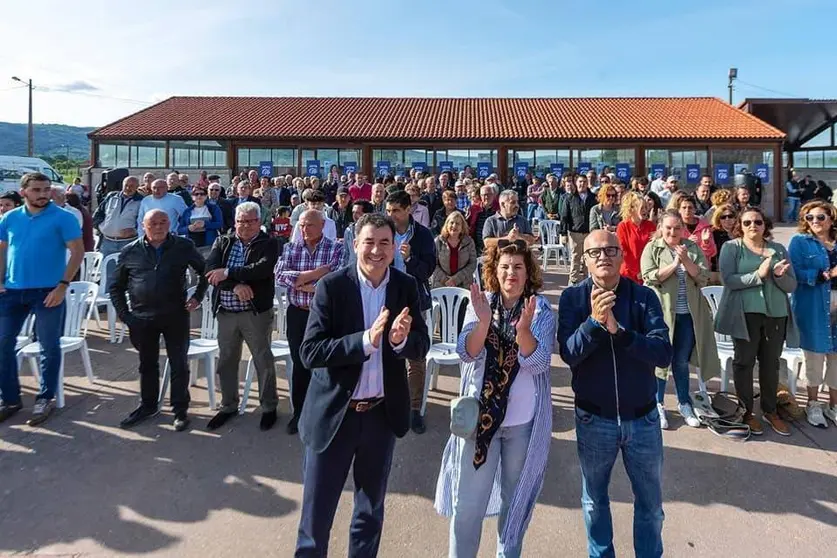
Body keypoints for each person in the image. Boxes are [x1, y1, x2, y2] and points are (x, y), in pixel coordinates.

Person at [294, 213, 429, 557]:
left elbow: (421, 343)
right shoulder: (333, 286)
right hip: (335, 415)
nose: (376, 250)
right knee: (316, 518)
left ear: (395, 246)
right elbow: (310, 351)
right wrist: (365, 342)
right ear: (355, 245)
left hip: (380, 417)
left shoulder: (404, 286)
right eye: (369, 242)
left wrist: (400, 342)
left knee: (369, 514)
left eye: (385, 242)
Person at [435, 239, 554, 557]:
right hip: (479, 425)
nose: (511, 273)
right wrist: (483, 321)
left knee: (514, 507)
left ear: (528, 273)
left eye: (518, 267)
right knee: (468, 507)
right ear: (494, 271)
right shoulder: (481, 302)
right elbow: (467, 352)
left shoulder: (540, 309)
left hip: (521, 426)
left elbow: (539, 362)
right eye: (504, 267)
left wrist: (524, 331)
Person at [557, 230, 672, 558]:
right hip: (595, 419)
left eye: (610, 250)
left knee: (651, 506)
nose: (603, 256)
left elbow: (662, 353)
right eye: (595, 252)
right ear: (585, 260)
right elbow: (569, 353)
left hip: (643, 419)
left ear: (622, 256)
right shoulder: (573, 299)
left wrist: (620, 333)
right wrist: (594, 322)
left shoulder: (643, 297)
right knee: (594, 502)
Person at [110, 209, 207, 432]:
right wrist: (125, 316)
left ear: (170, 224)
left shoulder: (183, 247)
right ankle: (148, 405)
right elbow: (116, 287)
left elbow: (205, 271)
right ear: (143, 225)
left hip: (175, 315)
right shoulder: (130, 251)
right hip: (142, 317)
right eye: (153, 223)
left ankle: (180, 409)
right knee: (147, 364)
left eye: (163, 222)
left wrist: (197, 296)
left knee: (179, 363)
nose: (159, 227)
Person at [0, 172, 84, 426]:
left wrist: (62, 286)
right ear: (23, 192)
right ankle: (11, 399)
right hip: (13, 292)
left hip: (49, 291)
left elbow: (78, 251)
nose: (43, 194)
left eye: (46, 189)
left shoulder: (63, 218)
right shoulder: (9, 218)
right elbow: (2, 250)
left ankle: (45, 397)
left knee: (49, 346)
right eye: (37, 190)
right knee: (3, 344)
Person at [715, 207, 798, 436]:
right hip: (745, 315)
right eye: (747, 222)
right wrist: (758, 275)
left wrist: (779, 277)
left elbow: (792, 285)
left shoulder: (778, 249)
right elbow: (729, 280)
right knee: (744, 363)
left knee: (771, 364)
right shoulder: (731, 248)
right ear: (740, 226)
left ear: (765, 225)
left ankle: (770, 411)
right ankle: (746, 411)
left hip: (776, 314)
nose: (753, 226)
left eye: (758, 222)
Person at [640, 210, 720, 429]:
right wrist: (675, 264)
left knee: (681, 362)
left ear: (683, 229)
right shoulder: (653, 248)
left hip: (688, 316)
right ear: (661, 228)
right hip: (661, 315)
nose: (672, 232)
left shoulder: (691, 248)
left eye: (677, 228)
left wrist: (685, 259)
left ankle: (684, 403)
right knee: (659, 362)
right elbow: (649, 276)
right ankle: (657, 403)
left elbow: (703, 277)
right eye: (668, 228)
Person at [204, 202, 280, 431]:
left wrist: (227, 272)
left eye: (250, 221)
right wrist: (235, 286)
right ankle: (228, 405)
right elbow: (210, 270)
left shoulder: (269, 243)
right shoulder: (223, 241)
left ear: (259, 222)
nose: (245, 226)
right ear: (234, 222)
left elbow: (262, 269)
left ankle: (269, 407)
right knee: (227, 360)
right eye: (241, 221)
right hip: (226, 312)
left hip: (255, 313)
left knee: (262, 359)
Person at [274, 209, 343, 435]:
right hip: (298, 312)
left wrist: (305, 281)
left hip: (324, 314)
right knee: (300, 362)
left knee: (325, 362)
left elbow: (336, 277)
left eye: (309, 225)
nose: (304, 229)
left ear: (322, 226)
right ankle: (300, 413)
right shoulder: (291, 248)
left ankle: (325, 413)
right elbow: (280, 274)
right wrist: (315, 274)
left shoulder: (335, 248)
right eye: (302, 225)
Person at [386, 190, 436, 433]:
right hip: (385, 300)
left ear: (408, 209)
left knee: (415, 357)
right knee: (387, 353)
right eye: (388, 211)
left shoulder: (423, 235)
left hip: (414, 300)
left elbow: (427, 271)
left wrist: (409, 260)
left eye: (395, 210)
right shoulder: (383, 231)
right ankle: (392, 402)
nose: (391, 215)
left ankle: (414, 409)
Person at [788, 201, 837, 427]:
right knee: (814, 358)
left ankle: (833, 405)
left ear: (831, 218)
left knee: (836, 360)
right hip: (813, 305)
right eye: (810, 218)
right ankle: (813, 404)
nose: (815, 221)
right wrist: (824, 275)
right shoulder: (800, 242)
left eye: (820, 217)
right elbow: (794, 271)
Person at [93, 176, 143, 267]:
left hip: (128, 243)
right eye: (126, 185)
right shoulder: (111, 196)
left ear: (137, 187)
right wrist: (102, 227)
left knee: (126, 273)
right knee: (107, 273)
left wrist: (135, 230)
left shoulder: (141, 201)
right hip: (107, 242)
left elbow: (144, 222)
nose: (128, 188)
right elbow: (97, 215)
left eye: (132, 186)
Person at [561, 174, 598, 285]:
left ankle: (588, 280)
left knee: (589, 257)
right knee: (575, 258)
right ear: (576, 183)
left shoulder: (593, 198)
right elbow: (564, 216)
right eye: (580, 182)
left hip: (589, 232)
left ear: (588, 184)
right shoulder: (569, 198)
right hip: (575, 232)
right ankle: (573, 281)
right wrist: (563, 233)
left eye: (584, 182)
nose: (582, 184)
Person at [616, 191, 656, 284]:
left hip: (647, 272)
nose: (645, 211)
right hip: (628, 273)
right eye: (642, 208)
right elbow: (623, 251)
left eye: (646, 208)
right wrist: (637, 271)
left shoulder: (650, 226)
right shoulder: (623, 226)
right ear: (632, 209)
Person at [431, 211, 477, 288]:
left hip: (464, 284)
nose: (454, 226)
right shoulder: (438, 241)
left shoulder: (469, 242)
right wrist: (445, 280)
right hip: (441, 284)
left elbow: (472, 263)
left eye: (458, 223)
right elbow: (432, 264)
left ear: (462, 227)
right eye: (451, 222)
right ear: (446, 225)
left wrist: (456, 280)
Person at [670, 192, 717, 264]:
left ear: (695, 210)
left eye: (690, 207)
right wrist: (686, 243)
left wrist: (706, 242)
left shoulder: (704, 226)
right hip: (681, 267)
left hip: (702, 267)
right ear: (679, 210)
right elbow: (670, 251)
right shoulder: (675, 227)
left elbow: (712, 253)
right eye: (684, 208)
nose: (687, 210)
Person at [178, 186, 223, 255]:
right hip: (193, 243)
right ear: (192, 197)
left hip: (209, 242)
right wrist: (188, 228)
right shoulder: (187, 211)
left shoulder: (213, 208)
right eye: (196, 194)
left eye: (202, 194)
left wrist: (205, 224)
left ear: (206, 196)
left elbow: (220, 224)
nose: (199, 196)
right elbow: (180, 229)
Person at [340, 200, 375, 268]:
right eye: (353, 212)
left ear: (367, 214)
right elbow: (346, 253)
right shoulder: (348, 230)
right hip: (352, 270)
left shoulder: (376, 231)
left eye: (358, 213)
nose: (354, 215)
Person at [709, 203, 736, 277]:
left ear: (735, 218)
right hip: (720, 271)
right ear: (718, 219)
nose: (727, 219)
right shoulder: (714, 233)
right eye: (723, 217)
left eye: (730, 216)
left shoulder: (740, 233)